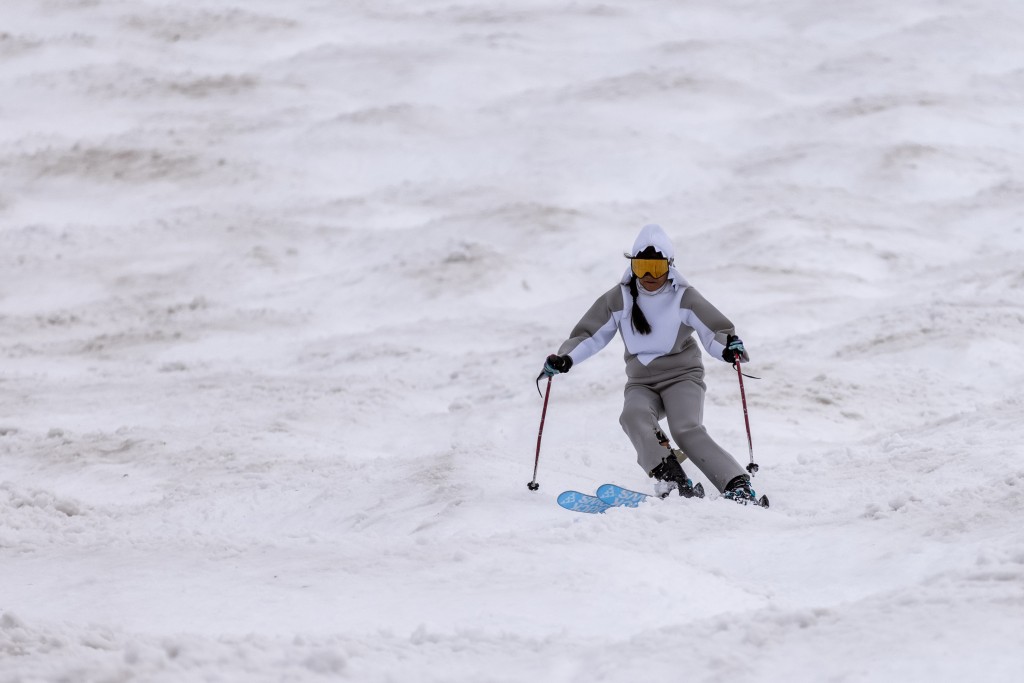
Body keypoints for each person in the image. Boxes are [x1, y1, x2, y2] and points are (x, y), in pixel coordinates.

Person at [541, 223, 759, 503]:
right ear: (632, 265)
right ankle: (673, 478)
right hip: (641, 382)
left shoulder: (684, 297)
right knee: (633, 416)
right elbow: (589, 334)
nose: (648, 275)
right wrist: (565, 357)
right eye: (641, 266)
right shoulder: (618, 298)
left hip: (682, 377)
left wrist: (728, 348)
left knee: (685, 428)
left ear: (669, 266)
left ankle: (736, 484)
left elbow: (714, 330)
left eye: (656, 268)